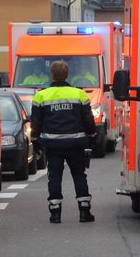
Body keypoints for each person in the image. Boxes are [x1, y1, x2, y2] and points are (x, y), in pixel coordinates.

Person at [30, 60, 97, 223]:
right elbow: (88, 120)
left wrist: (35, 141)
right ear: (67, 75)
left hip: (53, 145)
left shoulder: (41, 95)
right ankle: (84, 211)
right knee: (79, 176)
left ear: (52, 75)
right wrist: (92, 136)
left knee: (54, 177)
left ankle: (55, 213)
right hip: (76, 144)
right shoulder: (79, 94)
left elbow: (36, 123)